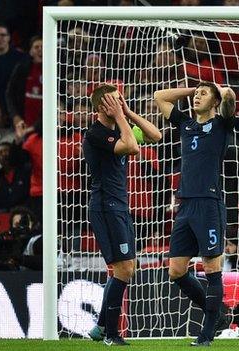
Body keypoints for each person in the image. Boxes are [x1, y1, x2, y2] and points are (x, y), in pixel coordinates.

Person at [153, 81, 236, 346]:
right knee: (176, 270)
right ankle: (219, 315)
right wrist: (194, 90)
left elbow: (230, 99)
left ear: (214, 102)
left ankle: (208, 333)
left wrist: (219, 92)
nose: (197, 97)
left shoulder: (222, 125)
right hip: (185, 205)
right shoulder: (185, 124)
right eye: (195, 94)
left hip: (209, 204)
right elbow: (160, 97)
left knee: (212, 267)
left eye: (203, 94)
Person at [84, 84, 161, 346]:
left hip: (119, 205)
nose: (119, 104)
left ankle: (103, 327)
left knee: (126, 268)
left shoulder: (120, 125)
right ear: (100, 107)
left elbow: (155, 135)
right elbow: (133, 147)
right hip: (106, 207)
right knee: (124, 269)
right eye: (114, 102)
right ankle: (111, 333)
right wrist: (120, 118)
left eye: (120, 100)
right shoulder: (95, 134)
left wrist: (127, 112)